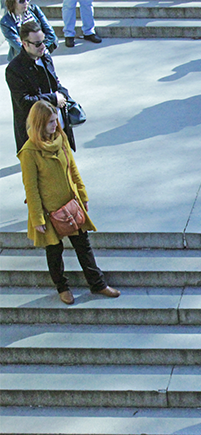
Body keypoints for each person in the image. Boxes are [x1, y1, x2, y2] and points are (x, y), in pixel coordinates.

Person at [19, 101, 120, 305]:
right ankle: (62, 288)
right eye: (50, 122)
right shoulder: (29, 152)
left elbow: (73, 169)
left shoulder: (61, 138)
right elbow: (31, 187)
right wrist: (37, 217)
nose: (55, 126)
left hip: (70, 204)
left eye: (56, 121)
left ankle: (98, 284)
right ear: (39, 124)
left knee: (83, 245)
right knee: (54, 251)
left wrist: (82, 196)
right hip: (49, 211)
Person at [6, 21, 75, 153]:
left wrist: (64, 95)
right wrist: (54, 99)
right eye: (38, 44)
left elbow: (56, 83)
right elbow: (24, 101)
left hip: (57, 126)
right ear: (25, 44)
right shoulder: (14, 69)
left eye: (43, 41)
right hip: (35, 132)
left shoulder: (45, 58)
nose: (43, 46)